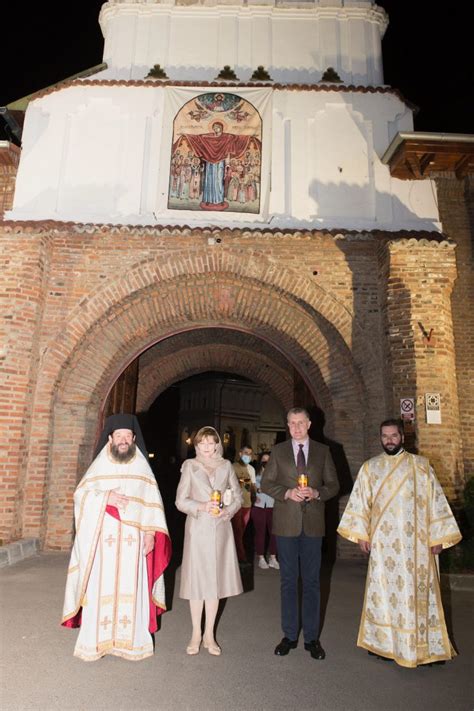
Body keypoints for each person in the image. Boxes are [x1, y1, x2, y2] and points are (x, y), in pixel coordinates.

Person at [337, 418, 462, 668]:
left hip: (418, 545)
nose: (389, 440)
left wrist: (438, 537)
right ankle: (386, 645)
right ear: (380, 438)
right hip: (384, 547)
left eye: (394, 435)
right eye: (385, 436)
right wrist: (362, 534)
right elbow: (361, 502)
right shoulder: (370, 468)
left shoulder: (422, 466)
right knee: (385, 594)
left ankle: (423, 649)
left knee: (419, 594)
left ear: (402, 437)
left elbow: (436, 500)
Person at [62, 413, 171, 661]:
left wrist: (151, 533)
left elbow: (152, 504)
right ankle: (95, 643)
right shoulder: (99, 465)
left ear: (134, 438)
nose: (123, 440)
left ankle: (131, 644)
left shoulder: (142, 467)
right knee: (100, 586)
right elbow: (80, 496)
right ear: (110, 438)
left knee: (132, 587)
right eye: (118, 436)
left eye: (127, 436)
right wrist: (105, 498)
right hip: (103, 541)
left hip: (134, 542)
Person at [261, 407, 339, 660]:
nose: (296, 427)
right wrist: (286, 493)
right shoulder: (279, 451)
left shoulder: (323, 451)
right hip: (286, 524)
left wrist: (317, 493)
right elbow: (266, 483)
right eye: (291, 423)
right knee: (288, 581)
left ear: (309, 424)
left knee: (312, 582)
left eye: (300, 423)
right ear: (288, 425)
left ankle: (312, 639)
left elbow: (334, 484)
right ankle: (290, 635)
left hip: (313, 525)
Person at [175, 426, 243, 656]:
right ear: (196, 445)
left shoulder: (226, 466)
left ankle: (209, 635)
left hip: (221, 528)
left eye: (210, 442)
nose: (206, 447)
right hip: (198, 528)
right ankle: (195, 633)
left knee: (214, 584)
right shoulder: (190, 467)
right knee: (197, 583)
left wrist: (227, 511)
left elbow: (238, 496)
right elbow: (180, 500)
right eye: (202, 443)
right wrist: (201, 506)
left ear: (217, 445)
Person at [251, 451, 279, 570]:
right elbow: (251, 487)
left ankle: (273, 558)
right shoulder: (255, 473)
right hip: (259, 507)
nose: (266, 462)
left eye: (268, 460)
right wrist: (256, 492)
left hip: (273, 506)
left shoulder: (277, 474)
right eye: (264, 460)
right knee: (260, 533)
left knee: (274, 533)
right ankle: (261, 558)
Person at [231, 445, 257, 563]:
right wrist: (246, 481)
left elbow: (253, 486)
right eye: (246, 453)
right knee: (237, 531)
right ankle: (241, 558)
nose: (248, 455)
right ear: (240, 453)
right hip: (236, 504)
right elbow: (232, 483)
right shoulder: (232, 467)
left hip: (247, 504)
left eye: (250, 453)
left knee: (241, 532)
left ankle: (235, 556)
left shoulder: (251, 469)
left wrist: (254, 495)